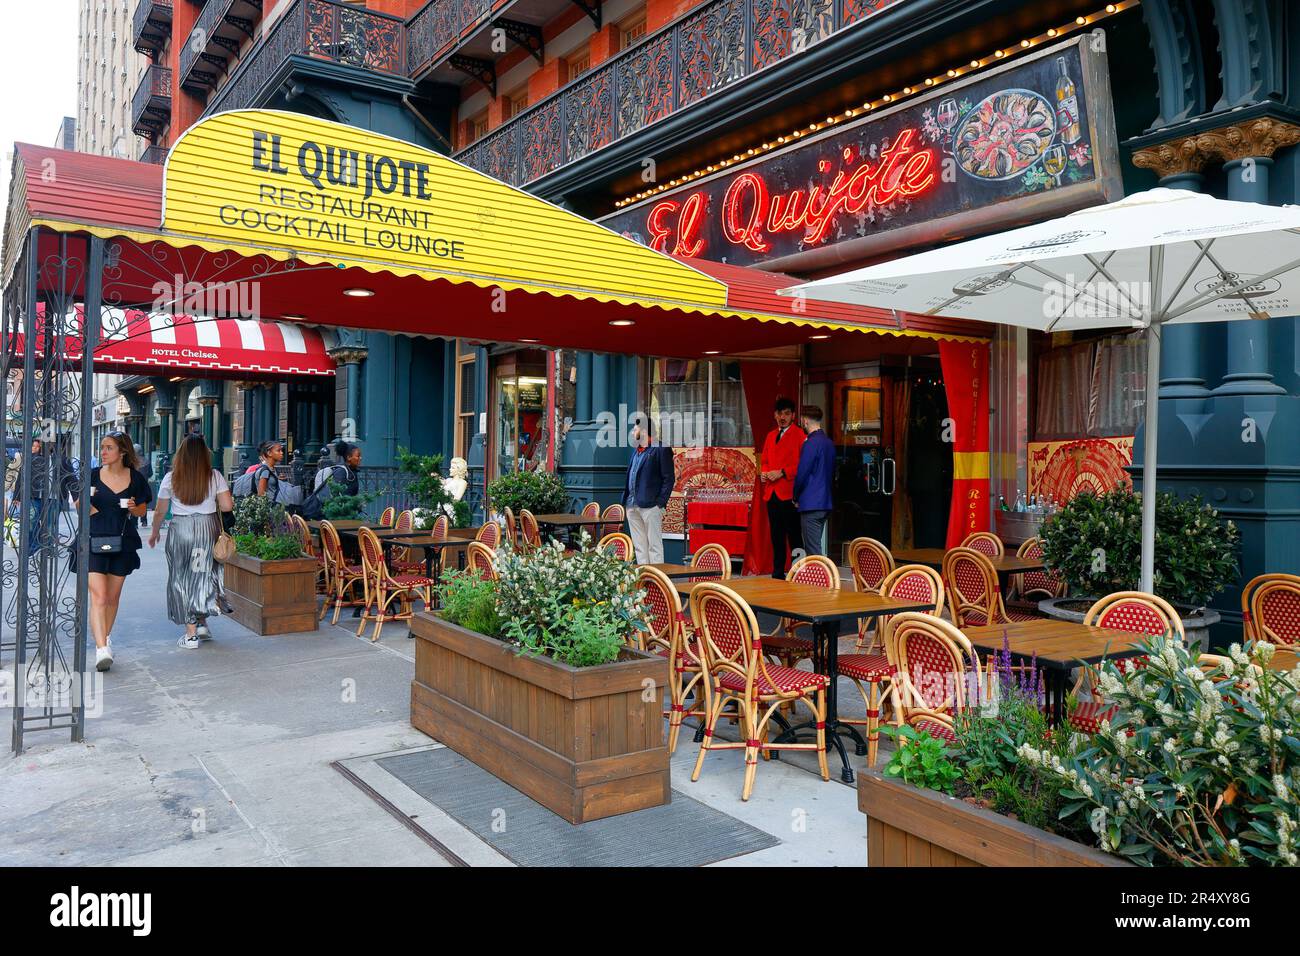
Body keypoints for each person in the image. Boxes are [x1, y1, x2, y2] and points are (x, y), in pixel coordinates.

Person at [71, 432, 152, 672]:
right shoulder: (92, 476)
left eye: (108, 448)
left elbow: (141, 512)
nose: (103, 452)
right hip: (92, 539)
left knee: (113, 598)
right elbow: (79, 508)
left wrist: (133, 506)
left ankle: (104, 637)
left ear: (122, 452)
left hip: (122, 541)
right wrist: (86, 501)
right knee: (100, 597)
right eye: (102, 448)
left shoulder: (136, 478)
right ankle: (101, 649)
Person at [149, 435, 233, 650]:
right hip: (206, 530)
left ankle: (191, 633)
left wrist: (155, 532)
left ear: (181, 454)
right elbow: (226, 506)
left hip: (181, 530)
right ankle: (201, 624)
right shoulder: (214, 476)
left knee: (181, 577)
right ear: (205, 454)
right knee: (201, 574)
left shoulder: (171, 478)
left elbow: (160, 510)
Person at [759, 396, 806, 578]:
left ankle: (799, 571)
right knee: (776, 535)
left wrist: (783, 472)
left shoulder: (799, 435)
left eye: (787, 413)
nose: (783, 417)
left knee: (794, 535)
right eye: (780, 413)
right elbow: (764, 461)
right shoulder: (771, 435)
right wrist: (764, 472)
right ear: (775, 415)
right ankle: (777, 572)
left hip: (789, 493)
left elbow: (803, 464)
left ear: (793, 415)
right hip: (772, 493)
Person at [622, 414, 674, 564]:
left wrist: (660, 503)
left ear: (644, 431)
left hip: (651, 506)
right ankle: (644, 581)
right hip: (632, 504)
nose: (633, 432)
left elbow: (668, 479)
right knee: (639, 547)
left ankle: (657, 582)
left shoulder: (661, 449)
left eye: (635, 428)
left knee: (654, 546)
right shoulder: (636, 450)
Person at [792, 406, 834, 558]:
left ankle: (821, 580)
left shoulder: (810, 443)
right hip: (824, 501)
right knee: (815, 546)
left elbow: (802, 473)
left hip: (811, 502)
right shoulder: (828, 443)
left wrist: (795, 496)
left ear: (804, 420)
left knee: (813, 551)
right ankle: (823, 578)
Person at [135, 444, 153, 530]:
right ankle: (144, 521)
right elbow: (151, 473)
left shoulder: (132, 462)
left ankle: (134, 522)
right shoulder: (147, 461)